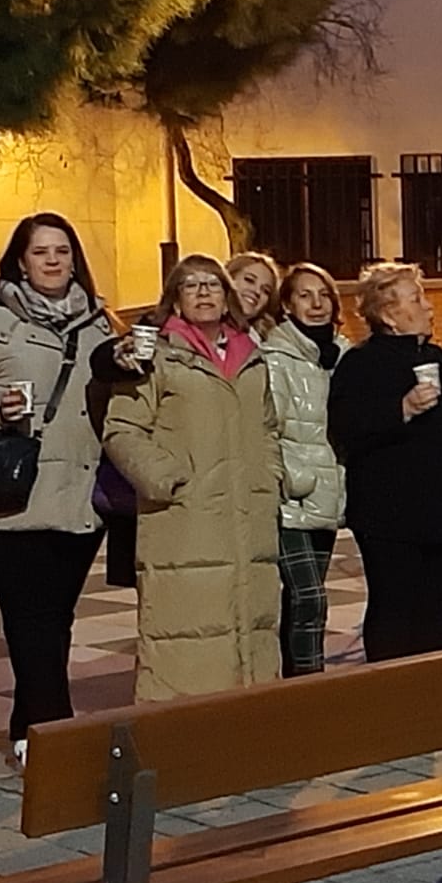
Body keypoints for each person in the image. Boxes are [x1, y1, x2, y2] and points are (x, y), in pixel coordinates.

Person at [0, 212, 115, 765]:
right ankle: (51, 734)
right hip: (6, 496)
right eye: (40, 252)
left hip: (75, 493)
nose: (52, 261)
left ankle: (31, 726)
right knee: (30, 616)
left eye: (62, 251)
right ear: (21, 260)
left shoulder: (99, 324)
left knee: (53, 618)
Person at [103, 255, 284, 701]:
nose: (203, 292)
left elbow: (268, 427)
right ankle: (182, 746)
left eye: (212, 284)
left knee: (251, 631)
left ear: (227, 298)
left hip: (249, 519)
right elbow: (121, 429)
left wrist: (270, 476)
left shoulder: (252, 358)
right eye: (190, 285)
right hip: (184, 522)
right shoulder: (151, 357)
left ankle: (247, 740)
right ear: (176, 301)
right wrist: (167, 480)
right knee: (184, 639)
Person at [329, 264, 442, 659]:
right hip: (390, 517)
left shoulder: (439, 359)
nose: (430, 308)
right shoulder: (361, 364)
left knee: (433, 615)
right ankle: (387, 698)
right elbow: (345, 428)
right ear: (389, 315)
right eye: (417, 299)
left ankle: (427, 700)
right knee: (394, 611)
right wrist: (403, 408)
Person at [262, 263, 348, 677]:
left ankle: (294, 682)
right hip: (291, 494)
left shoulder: (342, 354)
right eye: (304, 296)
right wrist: (288, 478)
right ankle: (308, 684)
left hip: (328, 493)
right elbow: (268, 428)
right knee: (309, 596)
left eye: (324, 295)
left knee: (301, 601)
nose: (316, 305)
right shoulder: (275, 357)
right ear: (286, 305)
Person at [227, 251, 281, 339]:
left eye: (265, 290)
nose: (257, 291)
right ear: (229, 278)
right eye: (249, 280)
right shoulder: (204, 323)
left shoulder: (266, 342)